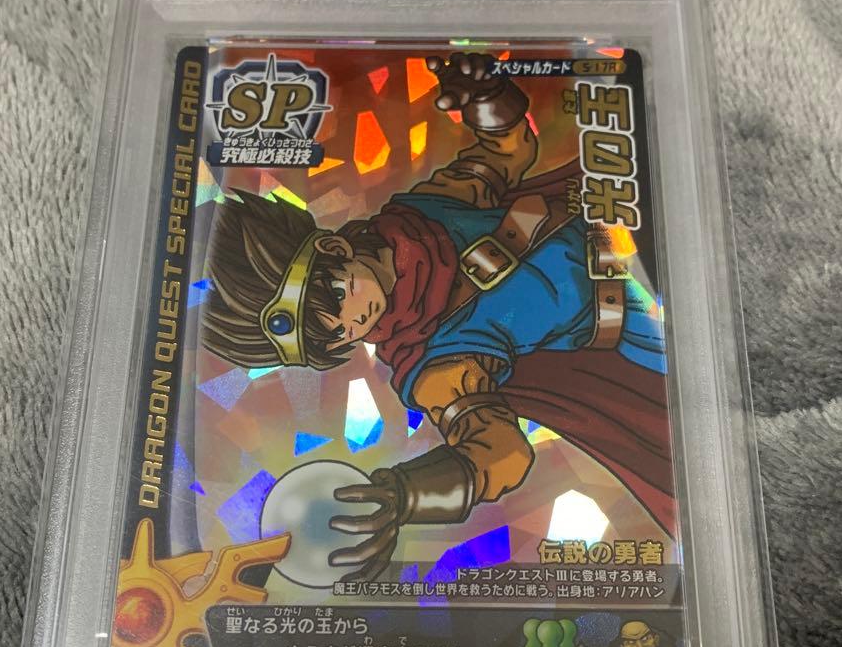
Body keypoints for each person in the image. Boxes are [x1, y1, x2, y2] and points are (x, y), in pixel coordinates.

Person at [202, 54, 674, 581]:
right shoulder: (432, 364)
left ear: (335, 249)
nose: (352, 322)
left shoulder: (422, 210)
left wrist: (486, 98)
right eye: (333, 336)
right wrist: (405, 495)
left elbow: (506, 152)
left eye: (334, 298)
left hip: (632, 214)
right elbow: (499, 454)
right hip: (641, 328)